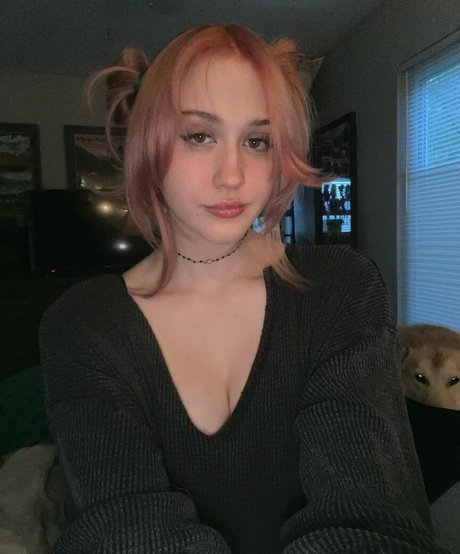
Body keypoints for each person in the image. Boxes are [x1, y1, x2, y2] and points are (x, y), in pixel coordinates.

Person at [39, 24, 450, 553]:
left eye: (257, 141)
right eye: (199, 135)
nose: (232, 175)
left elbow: (371, 514)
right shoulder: (84, 324)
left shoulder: (340, 289)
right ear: (147, 143)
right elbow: (129, 529)